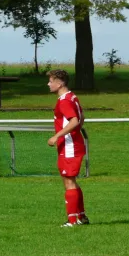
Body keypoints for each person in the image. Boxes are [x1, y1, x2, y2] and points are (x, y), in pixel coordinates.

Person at [46, 69, 89, 227]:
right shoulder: (72, 97)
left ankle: (72, 221)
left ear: (60, 83)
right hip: (73, 144)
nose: (48, 84)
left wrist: (57, 136)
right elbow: (81, 117)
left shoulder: (64, 101)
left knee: (68, 182)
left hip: (70, 147)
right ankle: (81, 216)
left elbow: (74, 121)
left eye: (51, 81)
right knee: (72, 181)